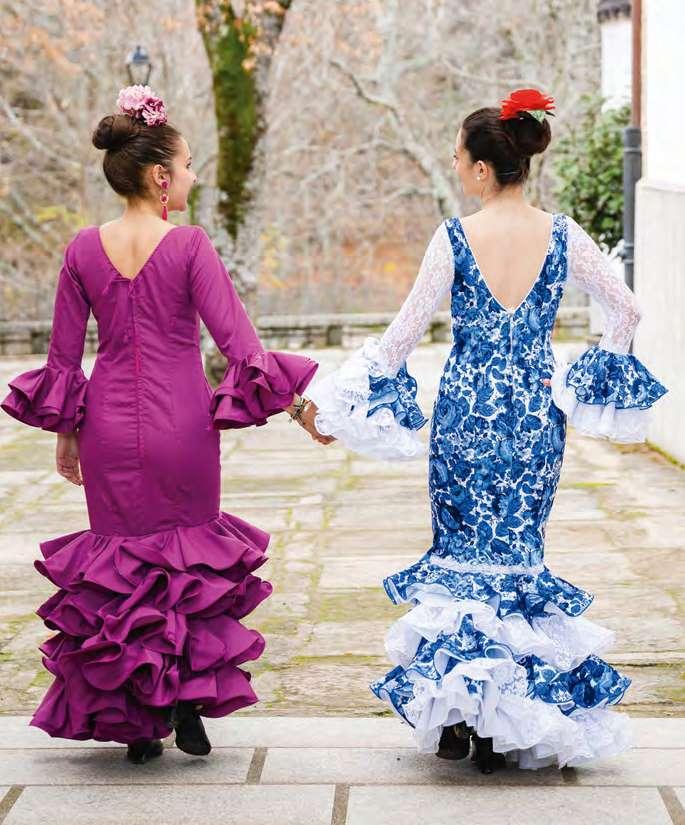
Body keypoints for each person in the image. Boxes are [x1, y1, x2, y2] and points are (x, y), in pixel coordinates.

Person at [306, 89, 668, 773]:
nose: (454, 166)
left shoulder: (453, 238)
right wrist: (588, 381)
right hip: (533, 418)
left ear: (480, 168)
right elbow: (625, 309)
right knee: (517, 558)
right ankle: (507, 723)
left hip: (465, 416)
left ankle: (456, 716)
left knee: (459, 562)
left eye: (457, 157)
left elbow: (400, 337)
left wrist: (334, 407)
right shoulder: (564, 235)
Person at [1, 86, 326, 765]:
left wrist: (66, 433)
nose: (193, 177)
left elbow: (63, 358)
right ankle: (188, 706)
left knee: (120, 567)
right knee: (189, 563)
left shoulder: (82, 249)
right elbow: (238, 343)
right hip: (183, 423)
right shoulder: (188, 245)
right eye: (187, 166)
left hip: (107, 425)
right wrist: (297, 408)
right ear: (159, 177)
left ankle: (137, 723)